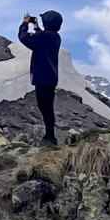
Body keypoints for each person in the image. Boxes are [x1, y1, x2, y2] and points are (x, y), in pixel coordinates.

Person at [18, 9, 63, 146]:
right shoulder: (54, 37)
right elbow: (40, 38)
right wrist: (36, 27)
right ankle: (50, 136)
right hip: (50, 78)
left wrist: (25, 24)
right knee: (47, 107)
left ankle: (50, 137)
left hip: (42, 77)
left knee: (44, 107)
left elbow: (25, 38)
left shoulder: (44, 37)